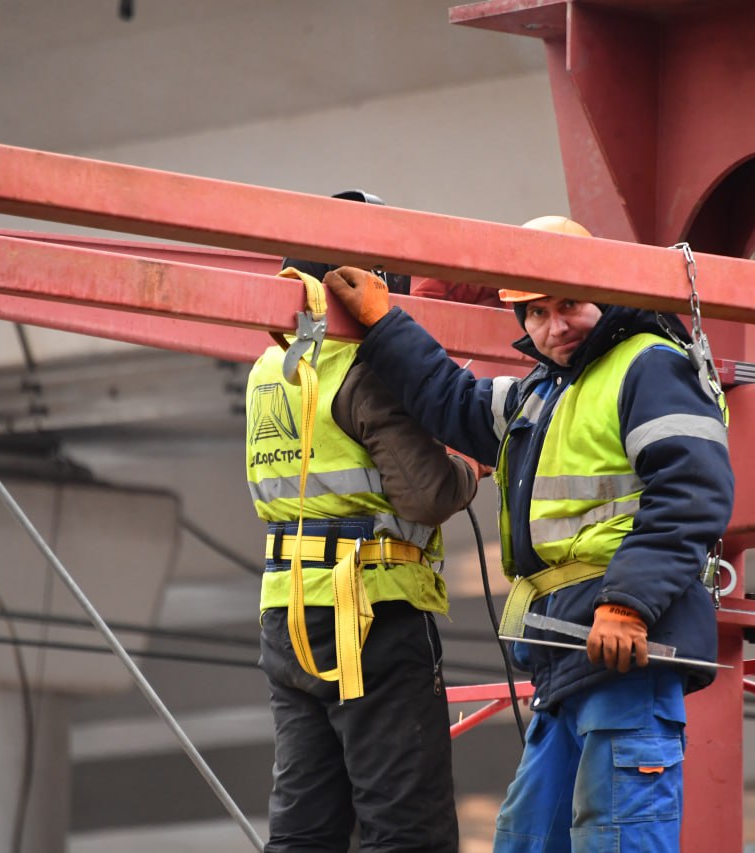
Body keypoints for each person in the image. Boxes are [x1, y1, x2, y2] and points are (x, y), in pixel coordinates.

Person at [322, 215, 734, 852]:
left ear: (606, 293)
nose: (554, 327)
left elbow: (691, 492)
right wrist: (384, 325)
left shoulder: (649, 365)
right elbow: (450, 398)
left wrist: (628, 604)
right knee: (526, 839)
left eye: (569, 305)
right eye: (536, 313)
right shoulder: (543, 393)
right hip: (567, 657)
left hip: (623, 650)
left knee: (618, 837)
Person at [246, 190, 478, 853]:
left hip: (289, 613)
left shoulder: (270, 366)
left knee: (305, 828)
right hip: (367, 613)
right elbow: (428, 493)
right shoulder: (360, 366)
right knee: (406, 829)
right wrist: (468, 464)